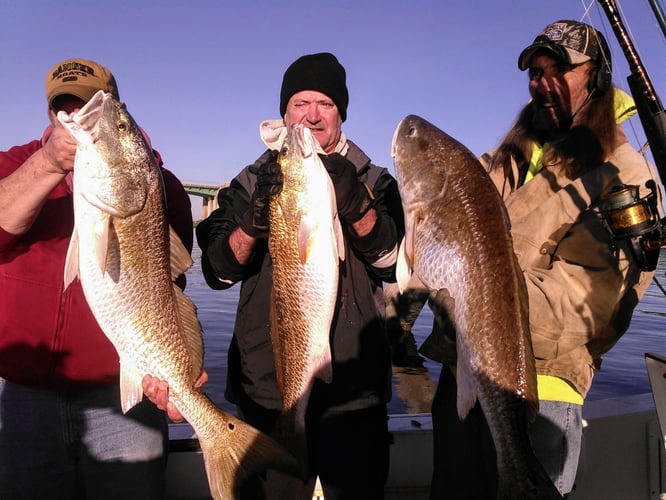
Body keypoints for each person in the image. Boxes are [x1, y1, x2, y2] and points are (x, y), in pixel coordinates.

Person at [144, 51, 405, 499]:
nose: (312, 115)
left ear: (341, 114)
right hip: (266, 388)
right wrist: (251, 224)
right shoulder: (248, 183)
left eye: (325, 104)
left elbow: (391, 261)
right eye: (300, 103)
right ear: (285, 113)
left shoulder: (376, 181)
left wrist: (359, 209)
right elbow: (216, 272)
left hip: (355, 391)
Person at [427, 20, 662, 498]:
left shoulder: (623, 172)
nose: (542, 82)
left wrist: (481, 297)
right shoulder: (506, 157)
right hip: (461, 382)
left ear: (596, 78)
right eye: (535, 71)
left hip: (543, 394)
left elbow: (589, 301)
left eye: (560, 69)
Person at [0, 58, 193, 499]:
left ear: (113, 108)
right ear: (49, 116)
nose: (74, 117)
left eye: (88, 105)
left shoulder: (162, 187)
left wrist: (175, 369)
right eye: (63, 107)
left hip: (122, 397)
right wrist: (47, 164)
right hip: (25, 397)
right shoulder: (13, 164)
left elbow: (169, 289)